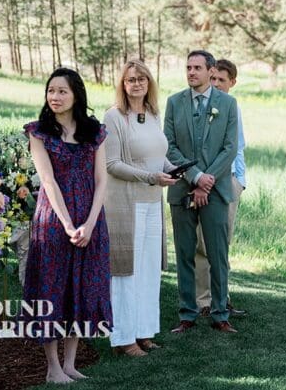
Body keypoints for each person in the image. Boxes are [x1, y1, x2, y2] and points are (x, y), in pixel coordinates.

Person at [22, 68, 111, 384]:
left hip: (91, 219)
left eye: (62, 91)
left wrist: (88, 224)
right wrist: (68, 224)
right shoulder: (38, 132)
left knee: (81, 288)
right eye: (51, 91)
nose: (55, 97)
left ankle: (70, 363)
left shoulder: (95, 132)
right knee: (53, 288)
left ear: (76, 95)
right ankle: (53, 368)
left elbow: (102, 181)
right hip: (54, 220)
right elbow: (48, 181)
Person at [103, 60, 178, 357]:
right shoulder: (114, 117)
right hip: (126, 204)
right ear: (123, 84)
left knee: (148, 272)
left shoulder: (153, 114)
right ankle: (124, 338)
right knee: (126, 273)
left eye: (142, 79)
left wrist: (174, 170)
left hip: (151, 203)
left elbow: (159, 158)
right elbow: (112, 165)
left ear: (149, 83)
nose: (136, 83)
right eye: (131, 79)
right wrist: (151, 177)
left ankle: (144, 332)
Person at [164, 50, 240, 333]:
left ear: (211, 71)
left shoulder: (228, 104)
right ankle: (187, 313)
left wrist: (208, 179)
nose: (191, 72)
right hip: (183, 188)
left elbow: (230, 147)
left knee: (217, 253)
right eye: (188, 67)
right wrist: (195, 177)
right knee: (184, 253)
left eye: (197, 67)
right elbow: (169, 146)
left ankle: (220, 313)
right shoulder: (174, 103)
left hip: (216, 189)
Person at [195, 58, 247, 317]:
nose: (215, 84)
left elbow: (238, 148)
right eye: (213, 79)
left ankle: (222, 298)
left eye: (221, 80)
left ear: (232, 83)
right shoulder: (201, 107)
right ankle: (204, 301)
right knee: (203, 244)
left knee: (222, 244)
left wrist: (241, 181)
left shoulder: (233, 108)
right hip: (205, 182)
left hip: (231, 183)